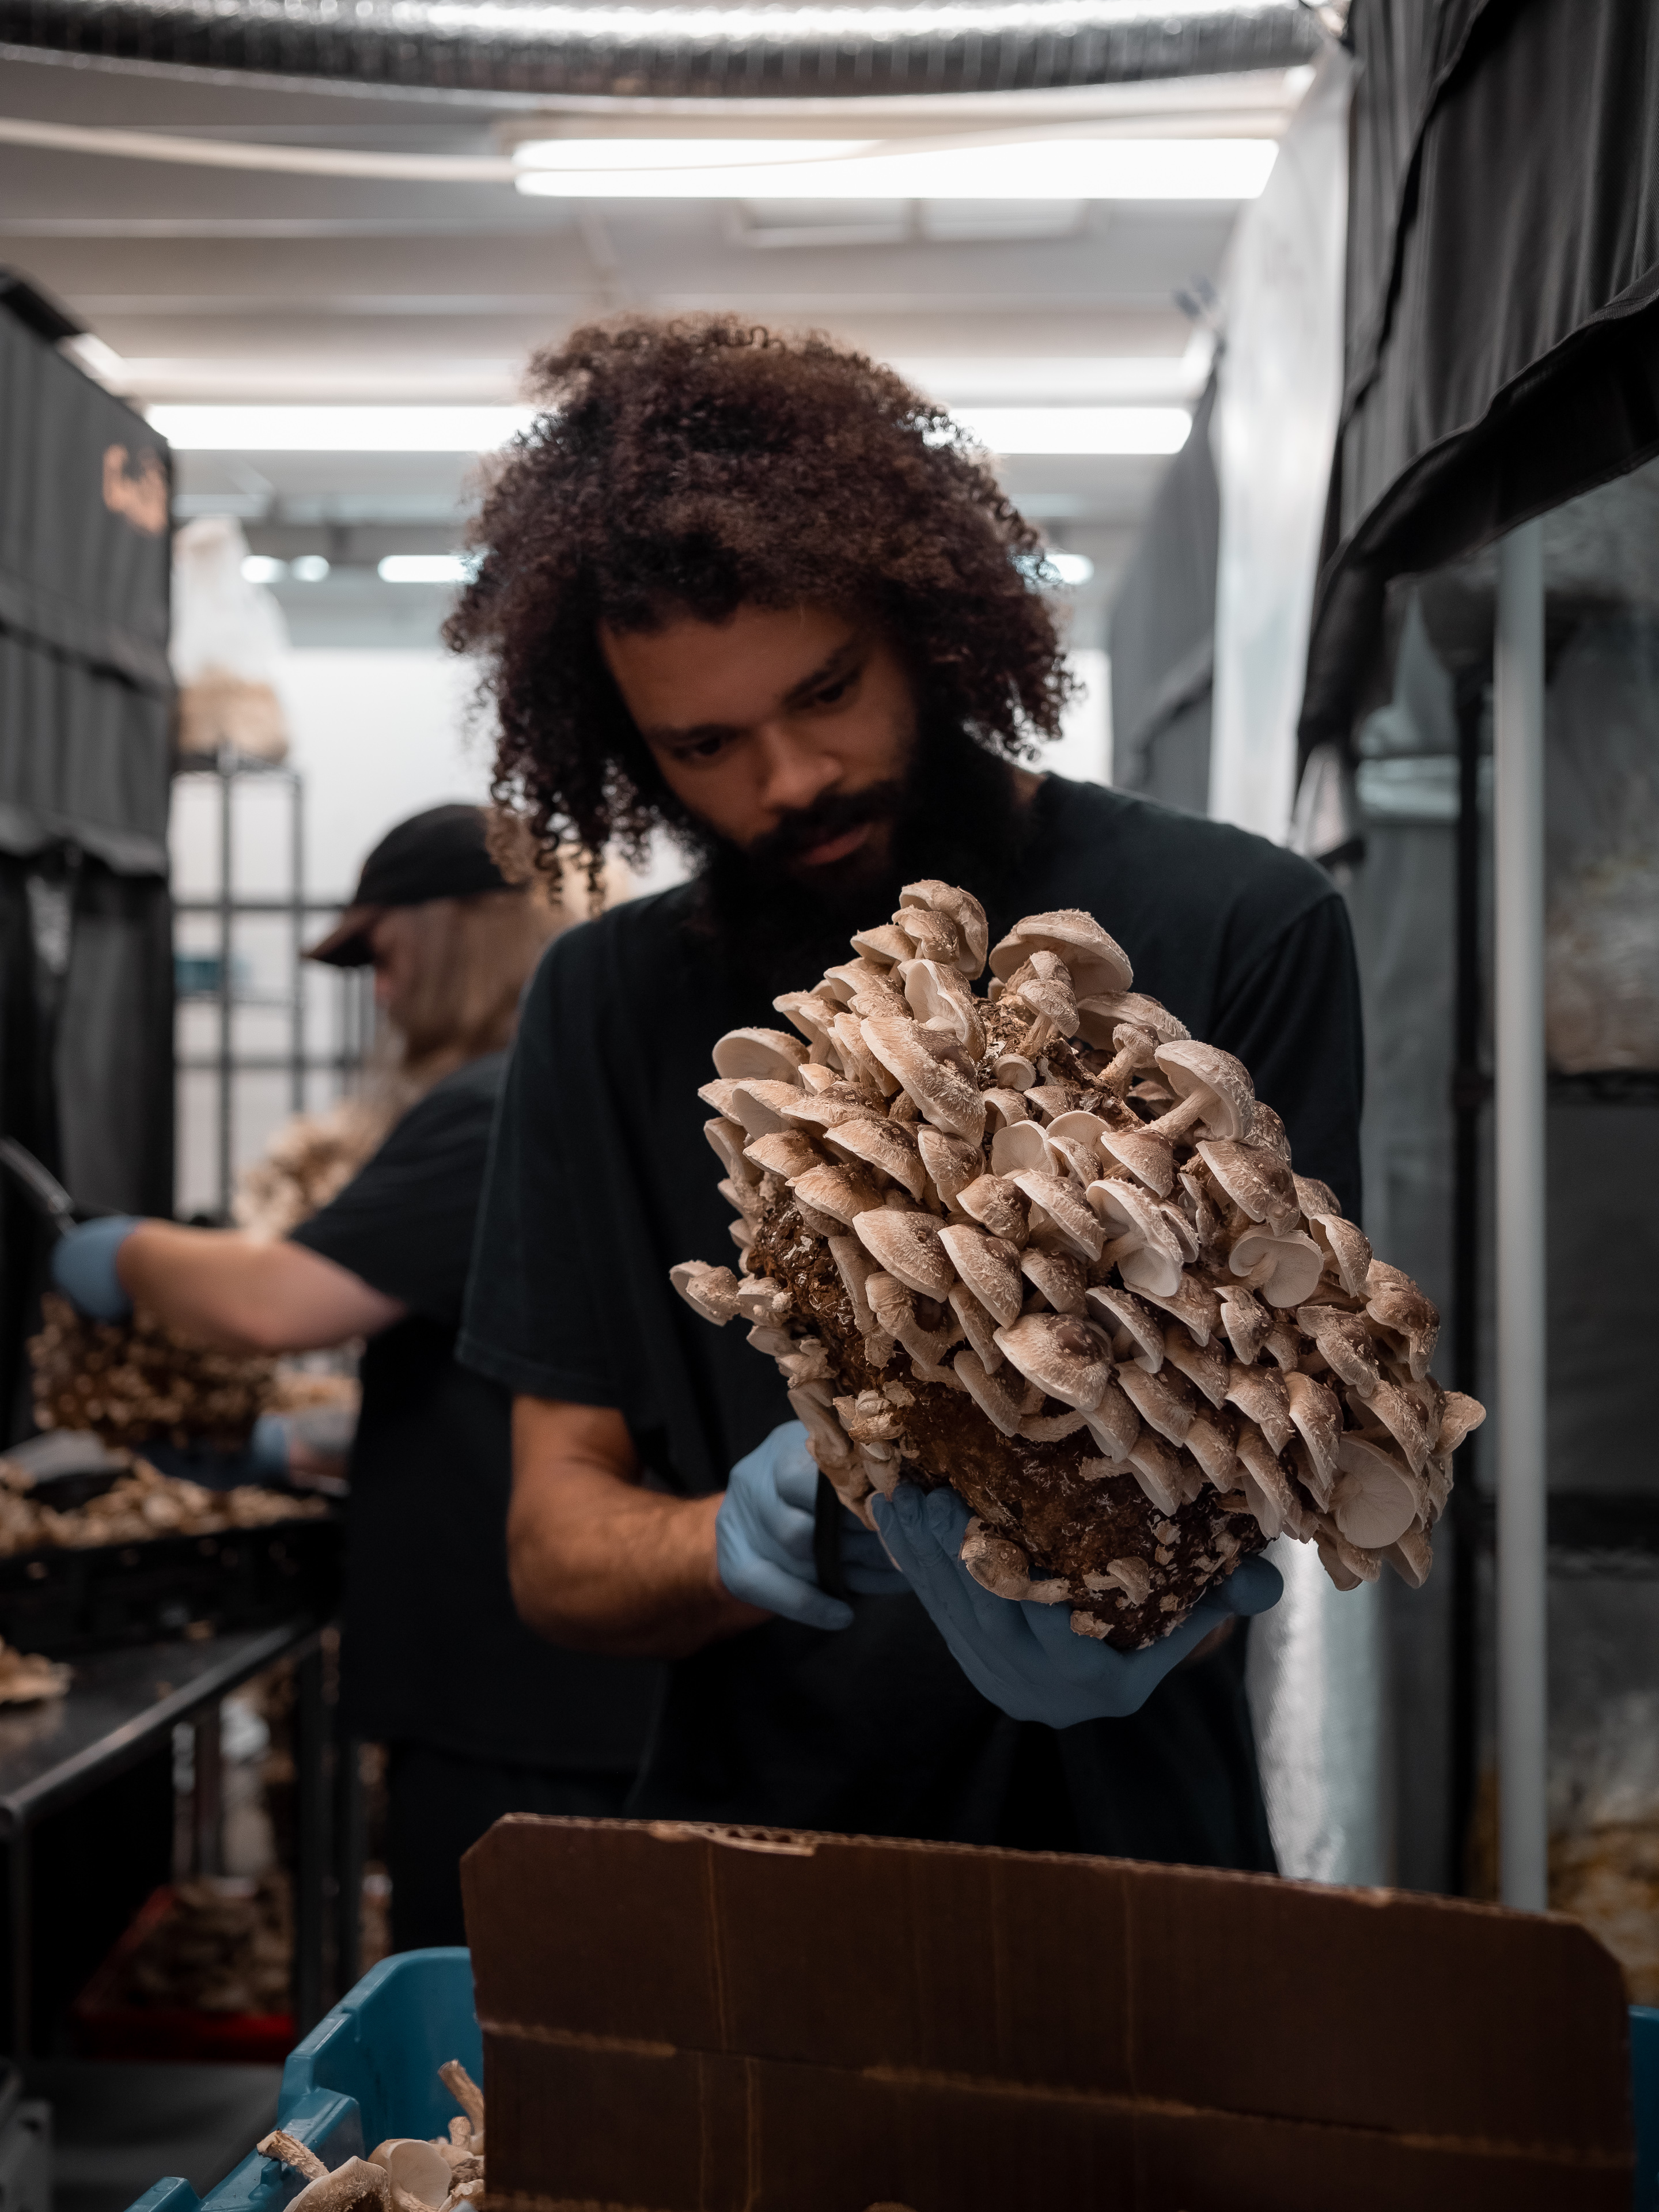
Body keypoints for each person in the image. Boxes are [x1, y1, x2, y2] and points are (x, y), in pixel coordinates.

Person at [445, 319, 1364, 1864]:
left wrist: (1128, 1610)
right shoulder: (606, 1007)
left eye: (828, 690)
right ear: (625, 751)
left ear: (929, 625)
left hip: (1144, 1892)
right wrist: (739, 1541)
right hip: (752, 1903)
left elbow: (1279, 1453)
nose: (791, 778)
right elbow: (555, 1542)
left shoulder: (1238, 927)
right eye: (707, 745)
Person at [47, 803, 662, 1944]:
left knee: (499, 2045)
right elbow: (503, 1383)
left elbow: (276, 1301)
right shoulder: (581, 1088)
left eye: (384, 953)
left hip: (518, 1701)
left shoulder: (498, 1103)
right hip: (556, 1689)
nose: (379, 992)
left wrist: (108, 1250)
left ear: (468, 928)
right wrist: (297, 1449)